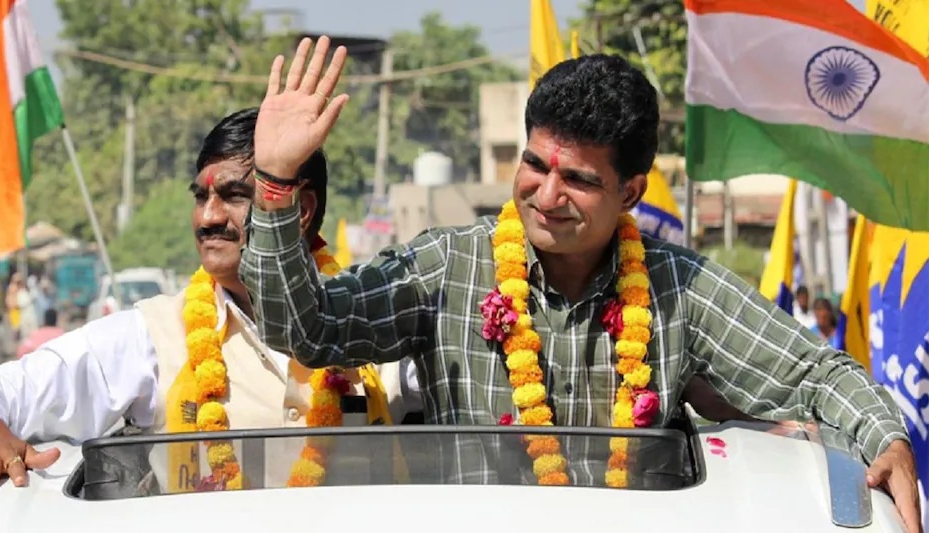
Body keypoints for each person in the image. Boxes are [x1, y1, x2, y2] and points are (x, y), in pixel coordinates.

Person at [238, 37, 920, 531]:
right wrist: (273, 182)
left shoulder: (678, 287)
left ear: (631, 192)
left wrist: (886, 438)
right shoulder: (449, 265)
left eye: (579, 179)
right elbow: (307, 328)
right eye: (536, 165)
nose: (546, 195)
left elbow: (816, 374)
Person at [0, 107, 422, 496]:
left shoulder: (375, 320)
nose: (208, 217)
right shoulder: (154, 335)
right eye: (201, 197)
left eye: (233, 196)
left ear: (301, 210)